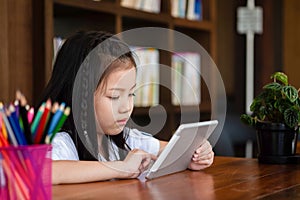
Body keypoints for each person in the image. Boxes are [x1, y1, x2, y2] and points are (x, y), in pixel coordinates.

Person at [37, 30, 214, 184]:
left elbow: (173, 149)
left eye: (131, 94)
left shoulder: (124, 139)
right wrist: (121, 168)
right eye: (114, 96)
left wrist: (194, 154)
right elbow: (44, 172)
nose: (126, 107)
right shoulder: (60, 141)